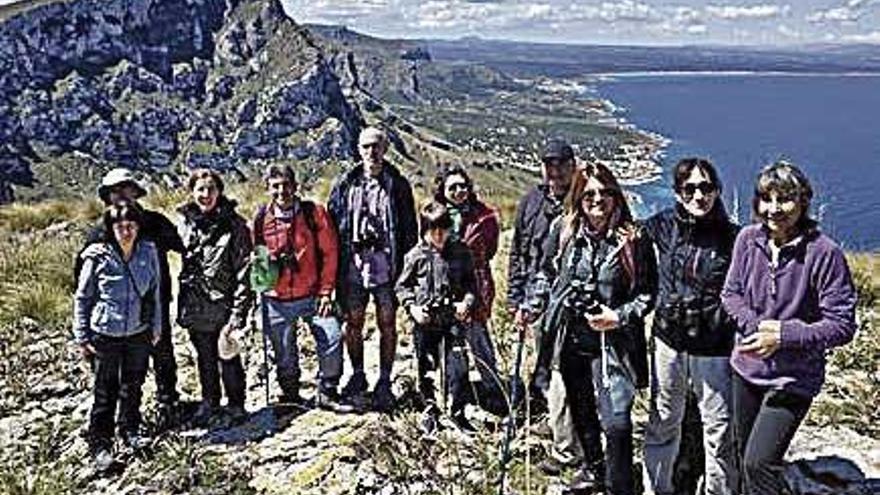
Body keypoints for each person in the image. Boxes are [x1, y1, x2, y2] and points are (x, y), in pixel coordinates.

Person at [721, 161, 857, 495]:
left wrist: (782, 335)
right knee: (742, 456)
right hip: (746, 368)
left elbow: (841, 325)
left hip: (793, 377)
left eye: (785, 199)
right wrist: (757, 329)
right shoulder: (747, 239)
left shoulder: (824, 253)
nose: (774, 209)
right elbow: (731, 294)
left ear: (803, 202)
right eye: (766, 199)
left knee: (759, 462)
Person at [530, 162, 657, 494]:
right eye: (589, 193)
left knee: (616, 420)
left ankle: (620, 483)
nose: (597, 199)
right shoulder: (565, 231)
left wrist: (618, 316)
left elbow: (647, 294)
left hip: (614, 342)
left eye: (605, 193)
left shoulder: (632, 239)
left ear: (616, 196)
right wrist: (534, 303)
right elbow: (546, 272)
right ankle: (594, 468)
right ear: (578, 196)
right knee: (582, 407)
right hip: (571, 337)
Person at [641, 158, 739, 495]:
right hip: (668, 343)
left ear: (717, 191)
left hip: (713, 348)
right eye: (690, 188)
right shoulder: (663, 225)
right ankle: (657, 488)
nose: (699, 195)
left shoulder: (733, 238)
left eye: (706, 187)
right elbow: (627, 232)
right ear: (678, 193)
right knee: (663, 421)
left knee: (719, 431)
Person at [75, 168, 183, 421]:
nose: (122, 195)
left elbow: (184, 247)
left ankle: (167, 400)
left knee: (162, 352)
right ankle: (110, 420)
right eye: (115, 190)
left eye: (127, 188)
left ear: (136, 192)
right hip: (112, 314)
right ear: (107, 197)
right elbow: (82, 278)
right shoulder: (100, 232)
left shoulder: (156, 223)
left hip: (154, 302)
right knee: (113, 369)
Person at [327, 126, 418, 411]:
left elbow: (409, 231)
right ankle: (357, 374)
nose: (371, 152)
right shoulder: (345, 183)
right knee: (352, 323)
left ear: (386, 149)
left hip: (386, 269)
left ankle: (385, 380)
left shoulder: (398, 185)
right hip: (352, 268)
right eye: (366, 146)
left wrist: (406, 272)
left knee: (387, 324)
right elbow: (332, 226)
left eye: (377, 146)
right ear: (358, 149)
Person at [508, 138, 580, 473]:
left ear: (571, 166)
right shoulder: (531, 201)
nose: (554, 171)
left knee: (560, 367)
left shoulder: (581, 201)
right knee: (542, 363)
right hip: (536, 297)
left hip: (568, 302)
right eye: (549, 165)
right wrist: (515, 297)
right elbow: (519, 251)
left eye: (561, 164)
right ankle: (553, 422)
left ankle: (569, 442)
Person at [74, 200, 161, 472]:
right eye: (120, 226)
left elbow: (155, 293)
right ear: (111, 228)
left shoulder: (148, 252)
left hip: (138, 332)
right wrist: (82, 335)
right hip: (105, 335)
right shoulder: (96, 256)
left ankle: (130, 430)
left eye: (131, 225)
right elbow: (83, 297)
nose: (126, 231)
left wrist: (156, 327)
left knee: (133, 385)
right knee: (105, 390)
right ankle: (100, 443)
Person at [253, 164, 348, 410]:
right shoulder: (262, 217)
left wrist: (326, 291)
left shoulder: (313, 213)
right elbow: (258, 256)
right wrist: (263, 278)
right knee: (284, 352)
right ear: (267, 188)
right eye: (275, 186)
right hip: (276, 298)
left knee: (332, 336)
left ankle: (327, 390)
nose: (281, 191)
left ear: (295, 186)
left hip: (313, 295)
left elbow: (330, 253)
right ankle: (291, 395)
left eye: (286, 185)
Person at [396, 201, 481, 431]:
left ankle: (457, 412)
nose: (439, 235)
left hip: (453, 320)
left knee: (457, 367)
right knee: (426, 367)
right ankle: (429, 410)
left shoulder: (461, 252)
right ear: (424, 231)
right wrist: (412, 308)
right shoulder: (415, 256)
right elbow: (402, 287)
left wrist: (466, 302)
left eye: (443, 229)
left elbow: (472, 284)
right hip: (426, 322)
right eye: (433, 230)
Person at [177, 169, 252, 426]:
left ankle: (236, 404)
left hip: (224, 306)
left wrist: (238, 313)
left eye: (211, 189)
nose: (205, 194)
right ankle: (210, 401)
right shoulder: (185, 224)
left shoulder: (235, 225)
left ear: (219, 192)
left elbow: (245, 272)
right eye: (200, 189)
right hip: (195, 306)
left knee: (228, 358)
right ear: (192, 192)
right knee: (204, 358)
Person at [433, 164, 505, 413]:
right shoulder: (435, 216)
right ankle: (457, 391)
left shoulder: (484, 217)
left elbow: (492, 249)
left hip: (476, 284)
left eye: (463, 186)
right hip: (445, 287)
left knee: (478, 337)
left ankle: (493, 389)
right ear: (443, 190)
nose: (459, 191)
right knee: (452, 341)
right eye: (452, 187)